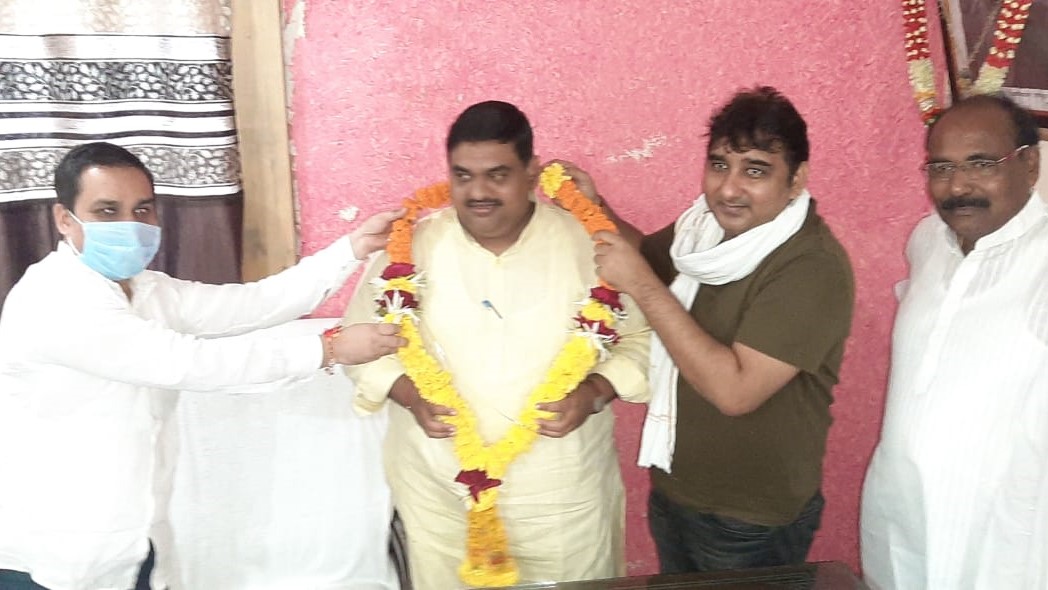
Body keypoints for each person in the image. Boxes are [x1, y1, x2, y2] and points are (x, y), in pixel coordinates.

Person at [0, 142, 406, 590]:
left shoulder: (146, 289)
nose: (130, 226)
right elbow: (189, 363)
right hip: (55, 551)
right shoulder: (55, 300)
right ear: (64, 219)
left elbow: (253, 304)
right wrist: (327, 350)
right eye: (107, 211)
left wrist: (351, 249)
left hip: (133, 538)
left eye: (142, 210)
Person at [342, 100, 650, 588]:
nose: (478, 193)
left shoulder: (592, 247)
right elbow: (357, 345)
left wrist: (593, 392)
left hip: (560, 499)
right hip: (441, 494)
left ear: (532, 173)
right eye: (462, 176)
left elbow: (644, 338)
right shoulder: (409, 250)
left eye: (497, 175)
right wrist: (410, 395)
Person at [563, 86, 854, 573]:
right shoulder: (704, 228)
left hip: (749, 519)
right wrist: (597, 206)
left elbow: (735, 390)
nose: (728, 189)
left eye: (755, 171)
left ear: (796, 179)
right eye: (720, 165)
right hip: (677, 490)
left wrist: (639, 284)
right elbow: (650, 261)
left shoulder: (811, 266)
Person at [860, 95, 1048, 589]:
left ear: (1029, 164)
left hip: (1000, 540)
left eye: (981, 164)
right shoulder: (928, 240)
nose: (958, 186)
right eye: (941, 168)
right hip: (900, 520)